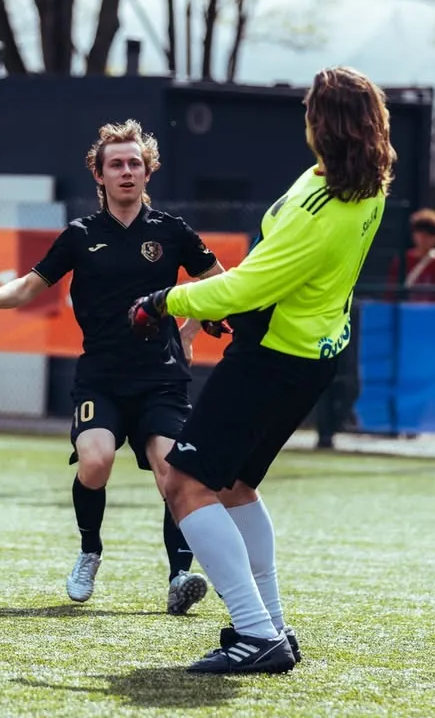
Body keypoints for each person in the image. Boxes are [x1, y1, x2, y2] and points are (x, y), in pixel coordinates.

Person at [128, 66, 394, 674]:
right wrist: (235, 309)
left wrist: (164, 301)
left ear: (323, 124)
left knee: (184, 485)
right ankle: (272, 628)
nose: (304, 116)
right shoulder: (362, 185)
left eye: (309, 108)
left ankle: (255, 633)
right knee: (233, 488)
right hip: (306, 352)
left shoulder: (321, 206)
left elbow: (248, 283)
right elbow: (271, 279)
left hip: (274, 359)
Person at [0, 120, 225, 616]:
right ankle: (89, 551)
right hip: (101, 379)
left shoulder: (171, 232)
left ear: (148, 172)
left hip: (161, 379)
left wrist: (190, 332)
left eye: (134, 164)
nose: (126, 171)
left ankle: (179, 576)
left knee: (174, 473)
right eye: (116, 164)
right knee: (96, 461)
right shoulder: (80, 236)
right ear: (99, 176)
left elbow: (220, 284)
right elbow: (31, 284)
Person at [387, 208, 435, 302]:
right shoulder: (401, 260)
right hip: (405, 308)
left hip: (431, 309)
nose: (424, 237)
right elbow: (390, 292)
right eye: (420, 231)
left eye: (430, 233)